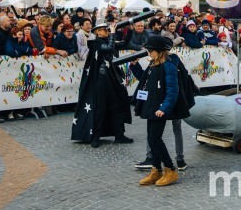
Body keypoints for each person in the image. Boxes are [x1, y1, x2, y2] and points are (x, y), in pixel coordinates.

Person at [134, 35, 191, 187]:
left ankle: (170, 169)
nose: (148, 53)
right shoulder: (153, 64)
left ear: (158, 51)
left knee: (154, 139)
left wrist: (164, 108)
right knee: (151, 138)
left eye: (150, 50)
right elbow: (143, 79)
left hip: (160, 108)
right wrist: (134, 66)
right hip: (151, 106)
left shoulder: (169, 65)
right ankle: (156, 170)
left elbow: (173, 90)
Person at [71, 19, 133, 147]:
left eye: (107, 29)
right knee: (101, 108)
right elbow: (109, 47)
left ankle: (119, 135)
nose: (107, 31)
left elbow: (125, 43)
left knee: (115, 107)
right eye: (104, 29)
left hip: (112, 78)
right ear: (98, 32)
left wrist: (130, 29)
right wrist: (113, 33)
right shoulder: (94, 43)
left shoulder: (107, 40)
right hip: (101, 79)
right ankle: (95, 137)